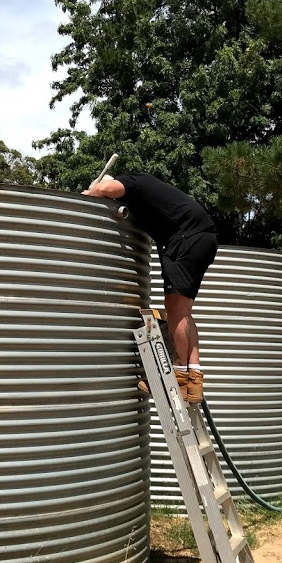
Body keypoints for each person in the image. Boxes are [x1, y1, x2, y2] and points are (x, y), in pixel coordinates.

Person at [83, 171, 218, 403]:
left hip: (186, 239)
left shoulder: (132, 180)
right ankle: (192, 377)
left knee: (176, 310)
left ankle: (179, 374)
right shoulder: (147, 190)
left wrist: (89, 193)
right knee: (183, 311)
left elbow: (106, 189)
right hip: (200, 238)